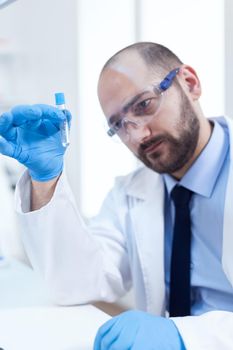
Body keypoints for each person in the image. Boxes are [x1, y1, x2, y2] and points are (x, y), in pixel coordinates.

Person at [0, 42, 233, 349]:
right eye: (119, 125)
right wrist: (47, 178)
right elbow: (77, 281)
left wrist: (187, 336)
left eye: (144, 105)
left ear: (189, 83)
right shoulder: (130, 192)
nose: (137, 135)